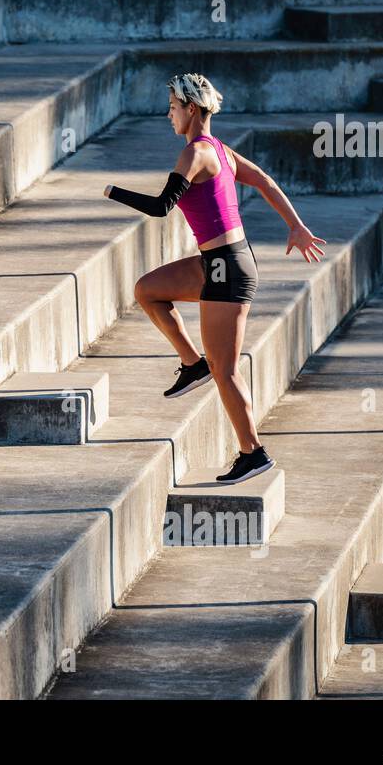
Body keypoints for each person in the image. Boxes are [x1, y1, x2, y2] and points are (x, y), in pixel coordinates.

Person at [103, 72, 325, 483]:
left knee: (226, 371)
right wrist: (295, 226)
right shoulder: (220, 151)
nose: (168, 116)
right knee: (147, 290)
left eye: (172, 108)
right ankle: (191, 364)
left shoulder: (196, 154)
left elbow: (160, 207)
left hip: (226, 267)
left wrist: (114, 192)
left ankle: (253, 452)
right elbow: (265, 180)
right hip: (218, 262)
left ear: (191, 109)